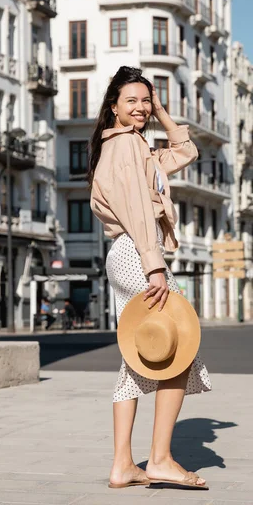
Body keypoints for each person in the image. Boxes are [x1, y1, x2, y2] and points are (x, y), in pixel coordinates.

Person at [89, 66, 211, 489]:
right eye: (132, 102)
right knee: (179, 350)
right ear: (113, 107)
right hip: (137, 252)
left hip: (129, 252)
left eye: (145, 100)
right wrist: (154, 264)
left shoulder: (136, 146)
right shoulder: (124, 146)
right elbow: (139, 211)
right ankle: (159, 459)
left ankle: (123, 465)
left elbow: (186, 151)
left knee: (139, 357)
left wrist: (160, 110)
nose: (140, 108)